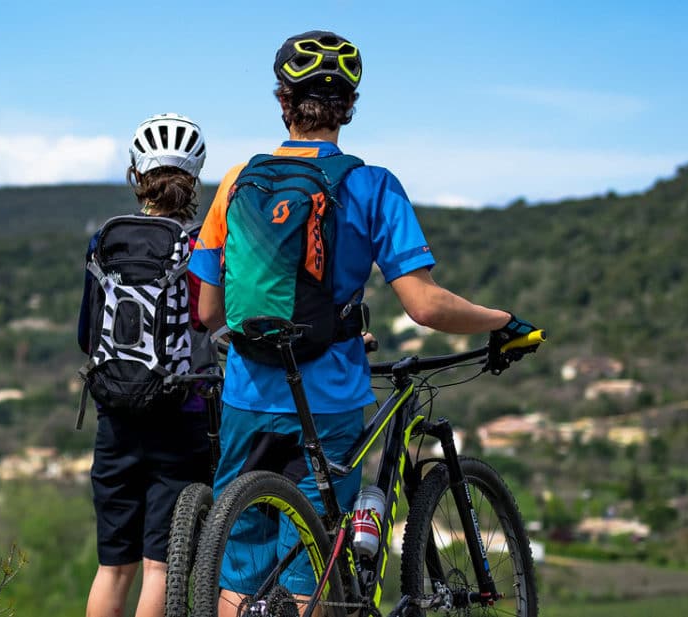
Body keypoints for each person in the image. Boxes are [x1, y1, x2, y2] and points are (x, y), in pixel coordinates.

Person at [187, 31, 539, 615]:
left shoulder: (235, 182)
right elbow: (424, 305)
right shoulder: (373, 185)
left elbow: (205, 311)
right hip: (328, 399)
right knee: (310, 573)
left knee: (240, 568)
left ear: (283, 102)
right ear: (348, 106)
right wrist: (501, 320)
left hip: (248, 394)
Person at [80, 113, 218, 617]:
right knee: (159, 567)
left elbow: (85, 334)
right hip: (181, 413)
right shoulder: (201, 244)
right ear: (196, 177)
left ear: (135, 175)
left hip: (115, 415)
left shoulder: (106, 241)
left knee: (113, 568)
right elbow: (209, 323)